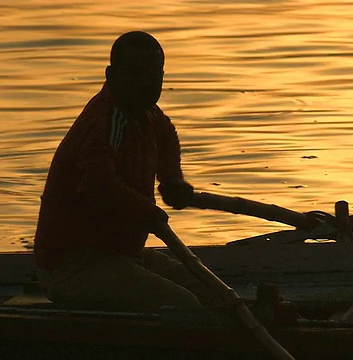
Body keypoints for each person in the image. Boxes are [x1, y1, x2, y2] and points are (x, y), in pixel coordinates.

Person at [33, 31, 218, 312]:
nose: (145, 84)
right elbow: (98, 185)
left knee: (211, 290)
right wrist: (147, 212)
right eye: (135, 74)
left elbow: (166, 137)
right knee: (182, 304)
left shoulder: (147, 114)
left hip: (122, 255)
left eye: (153, 75)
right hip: (73, 266)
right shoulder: (107, 121)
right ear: (111, 75)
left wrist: (172, 179)